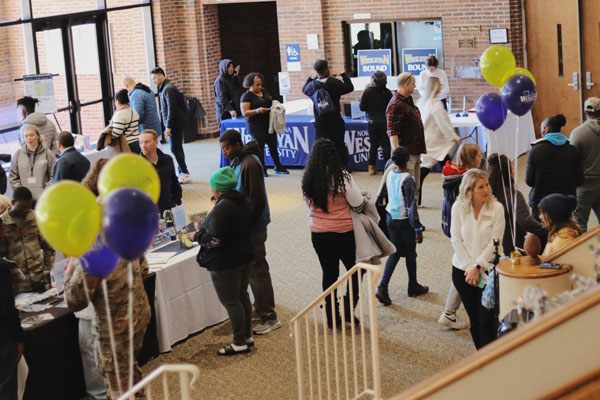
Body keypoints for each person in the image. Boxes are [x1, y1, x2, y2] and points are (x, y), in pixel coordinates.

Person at [187, 167, 255, 355]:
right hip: (244, 255)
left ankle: (239, 342)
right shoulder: (241, 199)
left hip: (226, 262)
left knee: (232, 302)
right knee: (242, 296)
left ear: (217, 188)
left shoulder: (222, 209)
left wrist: (197, 236)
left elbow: (215, 240)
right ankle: (247, 336)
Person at [219, 130, 280, 335]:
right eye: (222, 149)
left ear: (237, 145)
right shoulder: (240, 160)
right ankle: (261, 307)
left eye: (227, 148)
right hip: (246, 223)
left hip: (253, 225)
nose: (225, 152)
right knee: (251, 268)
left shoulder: (250, 164)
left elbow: (257, 200)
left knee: (258, 269)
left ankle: (269, 316)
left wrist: (244, 224)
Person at [301, 138, 364, 328]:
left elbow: (308, 205)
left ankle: (331, 316)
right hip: (344, 232)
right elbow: (358, 203)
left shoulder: (308, 179)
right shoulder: (342, 177)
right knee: (356, 271)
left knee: (329, 274)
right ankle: (348, 307)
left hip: (319, 233)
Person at [451, 169, 504, 349]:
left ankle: (493, 357)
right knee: (474, 320)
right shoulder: (458, 207)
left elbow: (495, 242)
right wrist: (469, 268)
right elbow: (455, 239)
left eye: (487, 185)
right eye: (480, 187)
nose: (486, 190)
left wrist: (477, 267)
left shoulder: (497, 208)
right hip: (462, 272)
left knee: (487, 319)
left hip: (488, 271)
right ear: (469, 190)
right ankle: (482, 357)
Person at [438, 143, 483, 330]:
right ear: (471, 159)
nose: (482, 158)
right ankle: (449, 312)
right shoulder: (467, 180)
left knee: (463, 266)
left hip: (451, 225)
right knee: (466, 267)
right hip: (464, 230)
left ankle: (449, 312)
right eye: (479, 155)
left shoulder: (451, 173)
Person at [375, 146, 427, 306]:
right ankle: (413, 285)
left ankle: (383, 286)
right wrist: (417, 228)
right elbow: (412, 206)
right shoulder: (408, 179)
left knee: (395, 253)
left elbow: (384, 194)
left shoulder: (389, 174)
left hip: (391, 217)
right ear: (408, 161)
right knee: (411, 254)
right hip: (405, 221)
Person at [526, 113, 584, 220]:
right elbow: (579, 180)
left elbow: (529, 181)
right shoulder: (573, 150)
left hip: (541, 202)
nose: (540, 132)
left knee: (542, 233)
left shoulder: (535, 150)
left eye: (541, 129)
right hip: (565, 202)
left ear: (546, 129)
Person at [487, 153, 547, 254]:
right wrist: (547, 230)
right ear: (508, 173)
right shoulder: (513, 195)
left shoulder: (487, 195)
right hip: (513, 246)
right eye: (512, 169)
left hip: (489, 246)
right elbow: (525, 222)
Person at [0, 187, 55, 294]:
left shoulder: (36, 217)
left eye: (29, 206)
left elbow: (49, 247)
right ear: (12, 203)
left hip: (40, 280)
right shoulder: (2, 223)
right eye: (23, 207)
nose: (26, 210)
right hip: (17, 285)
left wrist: (46, 270)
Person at [302, 59, 354, 165]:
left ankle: (324, 167)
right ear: (326, 69)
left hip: (320, 122)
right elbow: (349, 87)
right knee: (339, 144)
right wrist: (343, 75)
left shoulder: (312, 86)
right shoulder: (334, 83)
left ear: (316, 71)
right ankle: (342, 167)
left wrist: (310, 78)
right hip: (335, 120)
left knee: (322, 146)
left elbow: (304, 89)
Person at [417, 76, 460, 205]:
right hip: (435, 143)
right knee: (444, 170)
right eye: (440, 86)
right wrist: (453, 137)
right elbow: (444, 123)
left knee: (438, 168)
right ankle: (453, 196)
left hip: (429, 141)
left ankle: (416, 197)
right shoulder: (436, 104)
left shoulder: (423, 102)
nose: (441, 88)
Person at [386, 72, 426, 200]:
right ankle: (406, 217)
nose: (415, 87)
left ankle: (412, 215)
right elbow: (392, 132)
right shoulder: (395, 104)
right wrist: (399, 158)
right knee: (406, 190)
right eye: (413, 84)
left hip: (414, 151)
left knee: (415, 187)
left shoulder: (407, 100)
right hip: (406, 155)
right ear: (406, 84)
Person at [240, 72, 288, 175]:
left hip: (269, 123)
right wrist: (257, 110)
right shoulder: (246, 96)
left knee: (273, 145)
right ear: (250, 84)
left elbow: (271, 101)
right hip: (255, 125)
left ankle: (278, 166)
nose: (259, 86)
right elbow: (245, 112)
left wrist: (276, 106)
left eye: (260, 84)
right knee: (260, 148)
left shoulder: (264, 91)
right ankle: (262, 169)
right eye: (257, 85)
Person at [151, 67, 191, 184]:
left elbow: (172, 109)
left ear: (161, 76)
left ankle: (185, 172)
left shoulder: (168, 89)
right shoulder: (165, 88)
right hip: (175, 123)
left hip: (175, 124)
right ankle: (183, 171)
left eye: (154, 78)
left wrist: (168, 126)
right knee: (177, 148)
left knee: (175, 148)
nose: (154, 81)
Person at [570, 97, 600, 232]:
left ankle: (582, 253)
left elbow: (571, 162)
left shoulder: (578, 133)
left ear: (585, 112)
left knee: (579, 226)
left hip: (584, 186)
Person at [0, 251, 25, 400]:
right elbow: (7, 308)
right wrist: (19, 338)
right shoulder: (1, 266)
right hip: (3, 339)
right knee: (6, 389)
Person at [140, 129, 182, 215]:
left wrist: (178, 201)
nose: (143, 145)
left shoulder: (168, 160)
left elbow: (174, 182)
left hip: (168, 207)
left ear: (156, 142)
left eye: (147, 142)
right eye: (141, 142)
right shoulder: (137, 165)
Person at [9, 126, 56, 201]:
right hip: (24, 199)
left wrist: (46, 190)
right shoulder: (17, 154)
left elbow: (54, 174)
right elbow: (13, 177)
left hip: (44, 197)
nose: (29, 138)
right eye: (26, 136)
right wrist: (21, 192)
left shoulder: (47, 153)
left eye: (31, 135)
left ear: (38, 136)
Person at [359, 71, 393, 175]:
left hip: (372, 121)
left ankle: (371, 167)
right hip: (384, 121)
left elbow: (362, 107)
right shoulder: (388, 93)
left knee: (373, 145)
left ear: (373, 80)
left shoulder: (367, 91)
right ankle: (386, 168)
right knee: (386, 145)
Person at [111, 89, 141, 154]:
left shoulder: (119, 114)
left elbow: (116, 133)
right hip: (138, 142)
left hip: (127, 145)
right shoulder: (134, 112)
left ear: (118, 101)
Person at [214, 59, 243, 126]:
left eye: (232, 67)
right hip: (225, 111)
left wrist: (236, 76)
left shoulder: (231, 78)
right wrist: (230, 110)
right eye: (229, 67)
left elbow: (238, 88)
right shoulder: (220, 81)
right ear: (224, 67)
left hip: (234, 108)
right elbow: (222, 98)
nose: (231, 69)